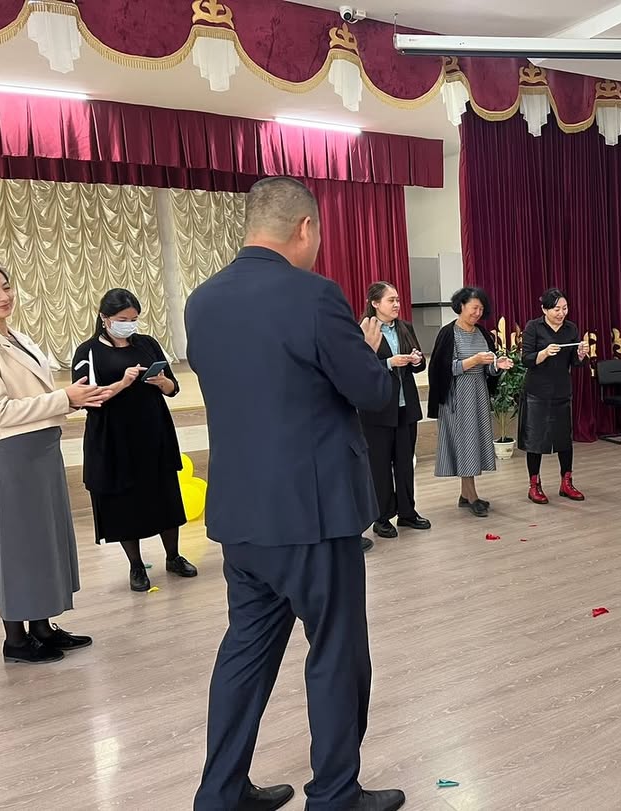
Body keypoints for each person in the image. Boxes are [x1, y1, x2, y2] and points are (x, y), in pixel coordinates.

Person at [185, 177, 405, 811]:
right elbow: (371, 391)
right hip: (313, 513)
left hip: (241, 512)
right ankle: (334, 794)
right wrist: (368, 354)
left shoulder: (203, 300)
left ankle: (220, 793)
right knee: (335, 652)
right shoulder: (315, 296)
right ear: (305, 227)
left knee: (245, 653)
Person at [0, 261, 108, 664]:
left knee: (45, 542)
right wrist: (64, 399)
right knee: (19, 547)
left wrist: (71, 397)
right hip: (14, 454)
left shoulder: (16, 336)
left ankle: (42, 626)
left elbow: (32, 394)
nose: (3, 296)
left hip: (41, 449)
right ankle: (15, 639)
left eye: (6, 287)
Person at [72, 288, 195, 592]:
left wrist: (162, 382)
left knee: (164, 495)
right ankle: (136, 565)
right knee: (124, 503)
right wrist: (122, 383)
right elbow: (84, 399)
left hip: (153, 432)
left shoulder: (147, 344)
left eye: (134, 319)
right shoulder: (88, 351)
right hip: (113, 438)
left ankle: (173, 556)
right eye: (122, 319)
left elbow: (173, 388)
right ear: (104, 318)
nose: (129, 325)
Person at [427, 286, 514, 518]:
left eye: (481, 309)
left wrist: (497, 365)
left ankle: (465, 496)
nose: (477, 313)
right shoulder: (448, 333)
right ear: (461, 306)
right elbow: (441, 369)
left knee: (473, 444)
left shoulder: (483, 333)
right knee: (465, 445)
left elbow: (489, 369)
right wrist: (474, 360)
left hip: (478, 394)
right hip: (457, 396)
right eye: (474, 308)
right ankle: (472, 496)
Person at [359, 281, 430, 539]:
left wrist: (417, 360)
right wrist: (389, 362)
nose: (397, 304)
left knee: (405, 463)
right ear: (375, 303)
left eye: (398, 300)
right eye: (391, 300)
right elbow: (360, 368)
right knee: (379, 466)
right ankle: (382, 518)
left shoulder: (405, 327)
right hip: (377, 411)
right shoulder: (364, 330)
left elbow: (418, 367)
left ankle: (407, 512)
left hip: (405, 407)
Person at [518, 288, 589, 504]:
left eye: (565, 308)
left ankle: (566, 483)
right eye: (556, 309)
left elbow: (575, 362)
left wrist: (580, 354)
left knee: (564, 440)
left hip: (561, 391)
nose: (561, 313)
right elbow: (526, 359)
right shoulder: (533, 327)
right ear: (544, 309)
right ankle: (534, 485)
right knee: (535, 440)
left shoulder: (571, 328)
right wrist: (543, 353)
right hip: (537, 391)